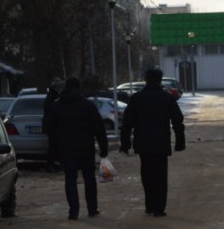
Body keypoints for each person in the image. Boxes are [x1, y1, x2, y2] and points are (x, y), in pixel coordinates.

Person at [120, 67, 185, 217]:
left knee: (147, 174)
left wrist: (125, 143)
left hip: (143, 143)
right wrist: (180, 141)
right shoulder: (166, 98)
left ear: (146, 80)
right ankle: (159, 208)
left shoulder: (137, 98)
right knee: (160, 175)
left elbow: (127, 123)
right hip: (161, 142)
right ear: (160, 80)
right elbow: (177, 120)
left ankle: (149, 205)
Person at [44, 76, 109, 220]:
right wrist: (103, 147)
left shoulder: (57, 106)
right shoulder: (88, 106)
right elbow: (99, 128)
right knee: (89, 177)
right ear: (79, 88)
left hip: (66, 149)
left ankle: (73, 211)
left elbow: (50, 130)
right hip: (86, 148)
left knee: (70, 179)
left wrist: (52, 153)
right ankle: (92, 208)